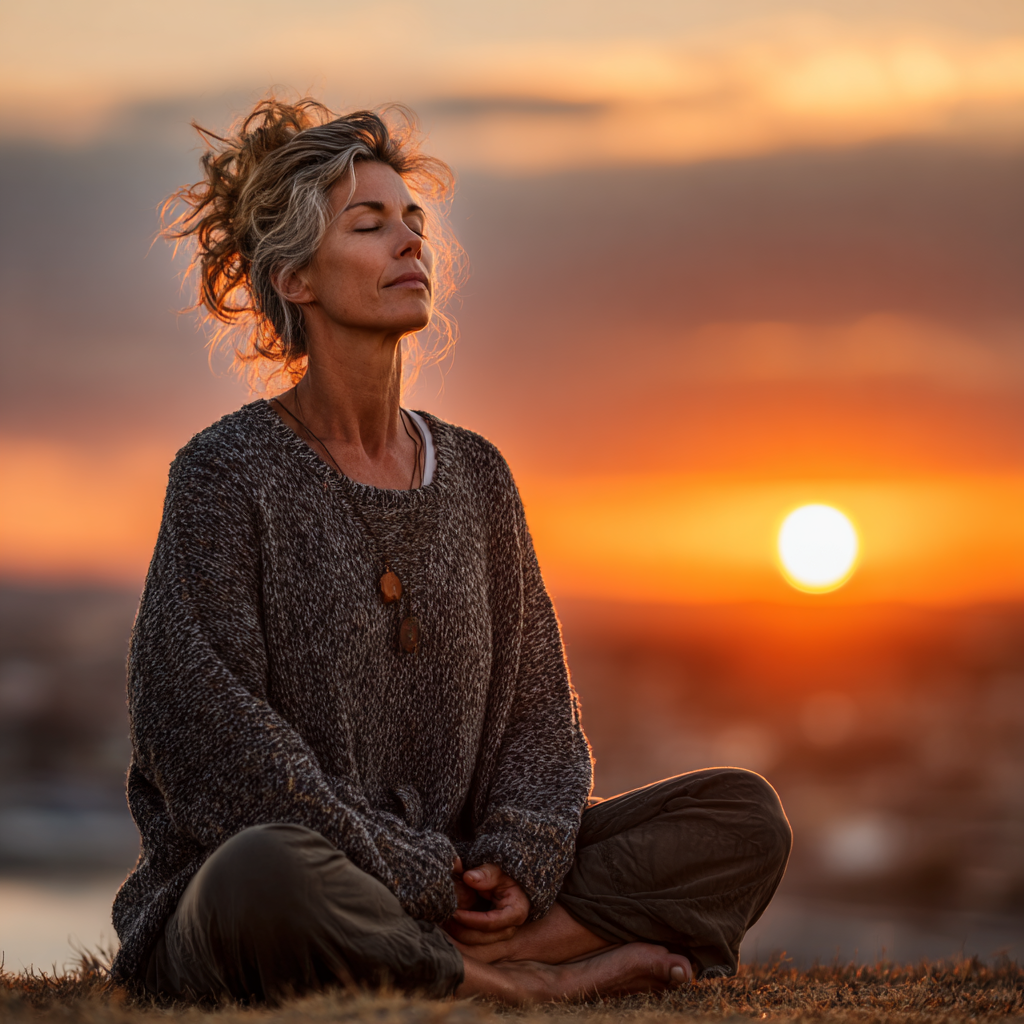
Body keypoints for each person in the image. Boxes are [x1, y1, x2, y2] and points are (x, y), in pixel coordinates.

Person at [111, 97, 792, 1006]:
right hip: (299, 883)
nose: (410, 243)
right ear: (296, 278)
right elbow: (205, 738)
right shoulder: (225, 474)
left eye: (414, 222)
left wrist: (519, 854)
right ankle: (524, 983)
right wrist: (400, 867)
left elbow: (541, 714)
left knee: (741, 817)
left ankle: (485, 959)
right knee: (262, 872)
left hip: (463, 885)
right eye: (370, 225)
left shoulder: (476, 476)